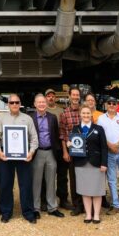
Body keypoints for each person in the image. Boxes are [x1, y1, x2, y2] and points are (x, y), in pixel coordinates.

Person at [0, 94, 38, 223]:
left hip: (24, 158)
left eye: (17, 102)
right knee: (5, 184)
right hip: (6, 157)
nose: (14, 105)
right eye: (12, 103)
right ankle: (6, 212)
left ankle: (28, 212)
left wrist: (31, 152)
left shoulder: (27, 119)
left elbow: (34, 138)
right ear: (8, 105)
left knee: (26, 185)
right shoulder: (1, 119)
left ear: (20, 103)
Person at [70, 105, 107, 223]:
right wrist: (69, 144)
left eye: (88, 113)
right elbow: (73, 144)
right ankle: (88, 215)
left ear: (91, 114)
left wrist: (104, 163)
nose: (86, 115)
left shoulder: (99, 128)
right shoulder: (75, 129)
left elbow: (104, 148)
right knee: (85, 190)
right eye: (83, 113)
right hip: (81, 164)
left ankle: (96, 215)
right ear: (80, 115)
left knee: (97, 190)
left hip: (96, 163)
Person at [30, 94, 66, 219]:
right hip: (37, 152)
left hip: (50, 152)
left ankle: (52, 207)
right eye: (39, 102)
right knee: (36, 182)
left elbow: (56, 134)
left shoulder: (52, 118)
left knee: (51, 181)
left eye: (43, 102)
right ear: (35, 104)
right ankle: (35, 208)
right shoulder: (31, 118)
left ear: (46, 104)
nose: (41, 104)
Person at [97, 96, 119, 214]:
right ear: (106, 105)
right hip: (108, 151)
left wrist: (116, 145)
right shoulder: (101, 118)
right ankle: (115, 204)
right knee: (111, 179)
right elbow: (100, 136)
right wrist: (111, 146)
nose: (112, 105)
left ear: (117, 105)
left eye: (114, 103)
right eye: (109, 103)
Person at [44, 88, 71, 210]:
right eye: (48, 96)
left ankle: (63, 199)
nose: (50, 98)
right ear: (45, 98)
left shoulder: (62, 111)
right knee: (46, 175)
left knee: (62, 175)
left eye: (52, 96)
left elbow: (64, 129)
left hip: (60, 147)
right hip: (48, 147)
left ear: (55, 98)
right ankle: (45, 199)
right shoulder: (43, 110)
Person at [59, 87, 83, 215]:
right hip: (72, 150)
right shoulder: (64, 114)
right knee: (73, 178)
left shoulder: (84, 111)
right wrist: (65, 152)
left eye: (77, 95)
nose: (75, 97)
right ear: (69, 96)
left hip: (85, 150)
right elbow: (62, 134)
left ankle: (86, 202)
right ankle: (77, 204)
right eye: (73, 95)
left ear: (79, 96)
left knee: (85, 176)